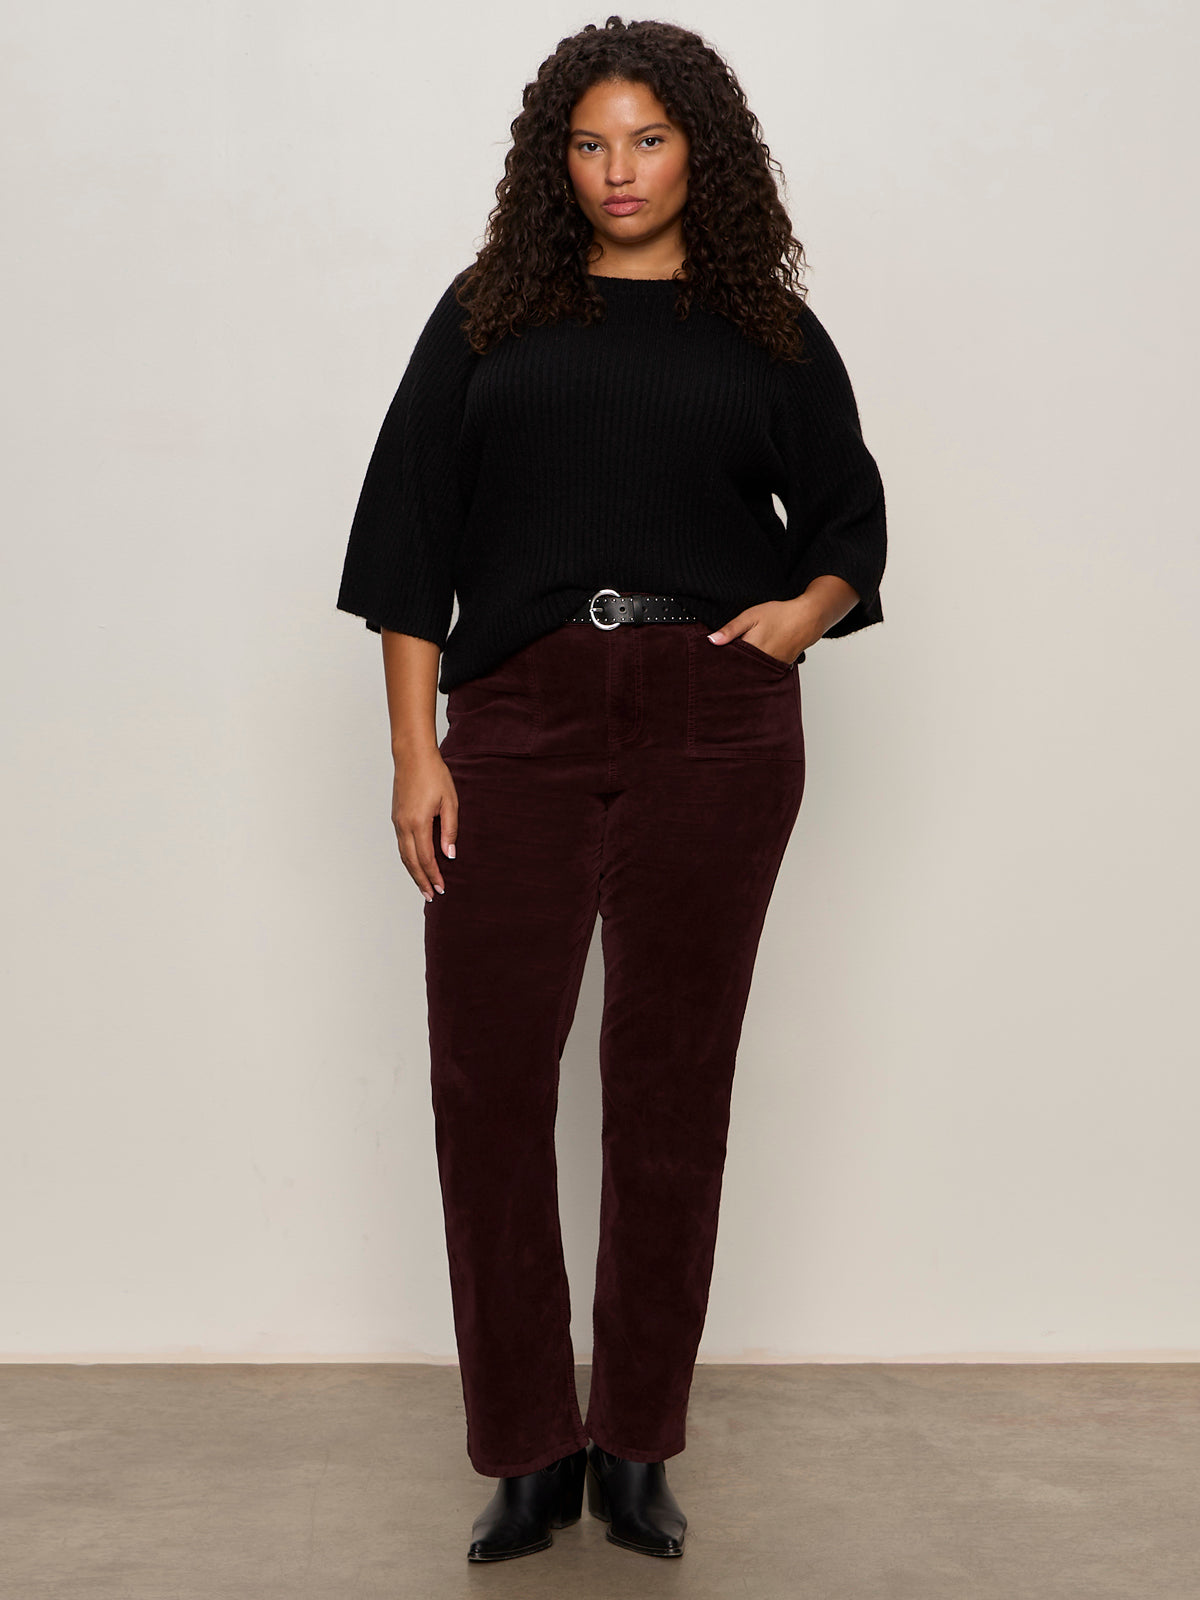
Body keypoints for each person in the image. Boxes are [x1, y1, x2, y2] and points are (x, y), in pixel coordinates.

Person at [336, 16, 887, 1565]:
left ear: (697, 149)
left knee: (669, 1089)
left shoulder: (763, 327)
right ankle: (526, 1451)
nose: (619, 170)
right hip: (514, 720)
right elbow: (406, 545)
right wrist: (414, 749)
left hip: (715, 722)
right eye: (590, 143)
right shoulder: (486, 319)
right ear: (551, 161)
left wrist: (793, 618)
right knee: (489, 1085)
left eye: (648, 139)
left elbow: (850, 515)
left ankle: (636, 1443)